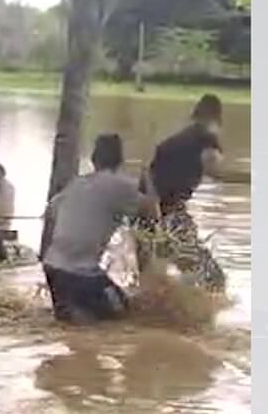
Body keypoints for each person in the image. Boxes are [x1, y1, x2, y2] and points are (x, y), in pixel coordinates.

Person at [41, 133, 160, 323]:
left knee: (70, 323)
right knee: (126, 316)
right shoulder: (121, 185)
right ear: (120, 160)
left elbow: (49, 214)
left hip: (52, 268)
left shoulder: (76, 184)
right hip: (81, 273)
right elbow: (153, 212)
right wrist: (148, 179)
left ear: (94, 159)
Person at [138, 93, 227, 290]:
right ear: (216, 118)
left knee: (149, 282)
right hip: (170, 215)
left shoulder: (174, 140)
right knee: (214, 279)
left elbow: (148, 174)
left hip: (142, 215)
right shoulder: (206, 137)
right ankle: (195, 314)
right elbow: (215, 172)